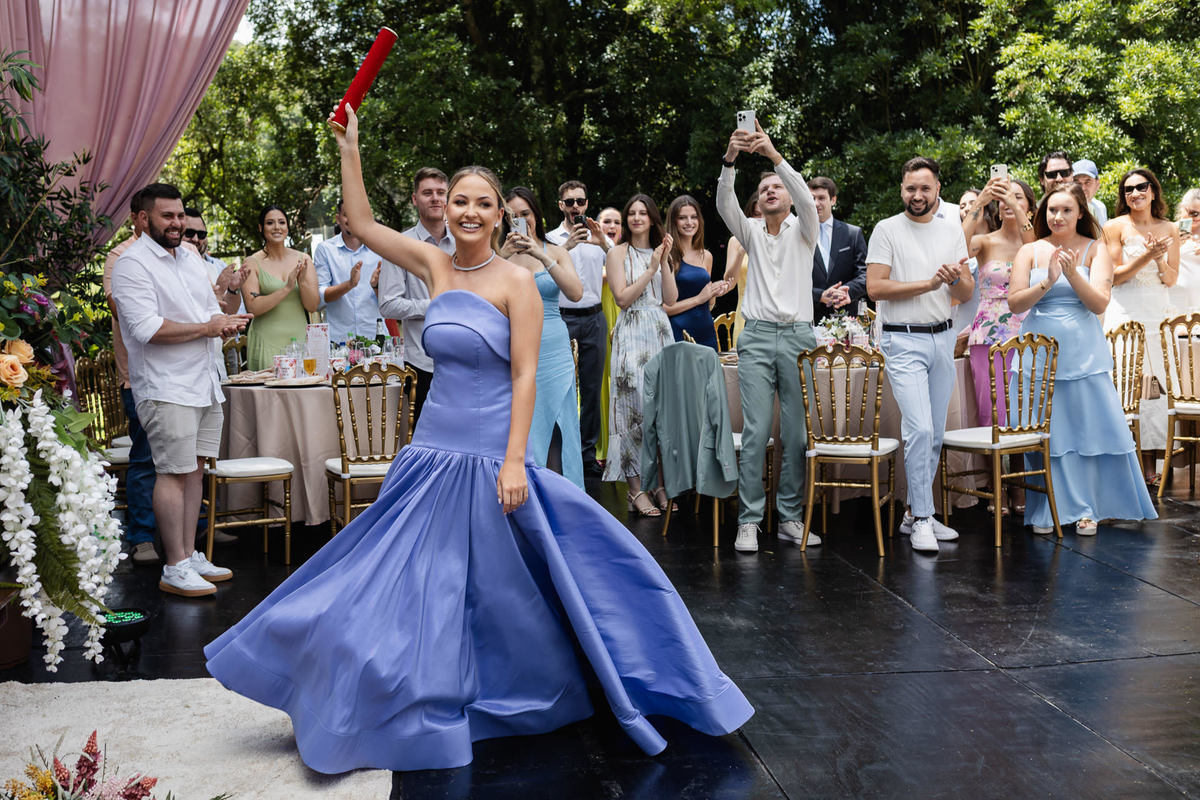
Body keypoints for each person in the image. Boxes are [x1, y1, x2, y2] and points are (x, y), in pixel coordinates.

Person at [205, 105, 753, 775]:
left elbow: (525, 375)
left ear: (499, 217)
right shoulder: (435, 267)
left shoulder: (516, 281)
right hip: (431, 451)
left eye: (481, 203)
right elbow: (366, 225)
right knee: (402, 578)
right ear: (447, 210)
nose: (467, 211)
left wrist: (516, 460)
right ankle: (404, 684)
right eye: (458, 201)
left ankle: (551, 682)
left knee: (510, 584)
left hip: (492, 452)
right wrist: (350, 147)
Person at [110, 183, 250, 596]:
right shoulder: (131, 265)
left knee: (195, 470)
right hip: (165, 386)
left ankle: (188, 556)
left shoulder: (189, 256)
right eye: (167, 216)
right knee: (171, 473)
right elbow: (146, 328)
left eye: (180, 215)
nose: (177, 223)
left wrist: (223, 317)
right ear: (142, 219)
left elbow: (208, 310)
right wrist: (208, 327)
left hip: (204, 380)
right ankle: (173, 566)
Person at [1007, 183, 1157, 534]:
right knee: (1049, 434)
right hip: (1038, 354)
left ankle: (1089, 507)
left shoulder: (1095, 248)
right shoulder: (1029, 250)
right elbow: (1014, 303)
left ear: (1080, 214)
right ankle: (1051, 507)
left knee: (1088, 430)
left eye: (1066, 210)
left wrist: (1073, 274)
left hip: (1083, 353)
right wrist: (1047, 282)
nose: (1058, 216)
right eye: (1052, 210)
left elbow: (1099, 303)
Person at [717, 122, 820, 553]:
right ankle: (749, 520)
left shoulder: (806, 229)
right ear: (758, 203)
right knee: (756, 432)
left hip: (798, 337)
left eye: (777, 187)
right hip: (757, 337)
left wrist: (774, 156)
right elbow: (724, 203)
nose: (771, 191)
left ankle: (790, 516)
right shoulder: (750, 233)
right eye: (764, 190)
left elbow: (808, 199)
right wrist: (731, 158)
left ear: (789, 196)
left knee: (795, 435)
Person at [866, 156, 974, 553]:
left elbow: (965, 292)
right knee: (920, 430)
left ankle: (914, 513)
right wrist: (928, 283)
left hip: (942, 338)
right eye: (911, 188)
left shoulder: (952, 230)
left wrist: (954, 280)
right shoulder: (887, 229)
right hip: (902, 339)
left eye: (925, 188)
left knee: (935, 433)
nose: (917, 195)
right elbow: (875, 288)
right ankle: (925, 519)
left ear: (937, 190)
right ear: (902, 189)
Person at [502, 186, 585, 487]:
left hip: (554, 346)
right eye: (512, 215)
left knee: (560, 428)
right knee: (526, 427)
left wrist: (540, 253)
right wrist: (502, 255)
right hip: (515, 346)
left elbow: (575, 293)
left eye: (525, 213)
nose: (520, 220)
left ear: (536, 214)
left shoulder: (556, 251)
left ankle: (565, 497)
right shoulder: (498, 256)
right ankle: (528, 495)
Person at [1102, 168, 1180, 485]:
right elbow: (1115, 276)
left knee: (1156, 392)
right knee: (1127, 388)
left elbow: (1171, 278)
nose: (1135, 193)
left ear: (1153, 190)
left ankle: (1156, 464)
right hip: (1126, 316)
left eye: (1141, 187)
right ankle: (1128, 464)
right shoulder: (1114, 227)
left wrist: (1159, 258)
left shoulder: (1170, 228)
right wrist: (1147, 255)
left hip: (1158, 316)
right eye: (1128, 189)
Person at [603, 195, 678, 515]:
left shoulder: (660, 252)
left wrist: (663, 261)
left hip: (659, 332)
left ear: (652, 218)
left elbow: (670, 299)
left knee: (659, 412)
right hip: (631, 332)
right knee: (631, 412)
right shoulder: (617, 253)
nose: (636, 218)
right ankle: (635, 490)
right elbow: (622, 298)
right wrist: (650, 270)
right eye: (631, 213)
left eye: (642, 213)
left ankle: (658, 483)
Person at [102, 191, 157, 565]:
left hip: (179, 374)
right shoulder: (120, 257)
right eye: (157, 215)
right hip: (138, 377)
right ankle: (142, 537)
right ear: (138, 218)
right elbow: (120, 309)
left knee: (187, 459)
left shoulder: (175, 255)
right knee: (145, 457)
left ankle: (198, 527)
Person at [378, 167, 453, 419]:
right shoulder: (400, 246)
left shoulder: (464, 242)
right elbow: (387, 304)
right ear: (414, 199)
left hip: (464, 362)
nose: (435, 198)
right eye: (427, 193)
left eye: (441, 192)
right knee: (424, 437)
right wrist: (433, 305)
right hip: (421, 364)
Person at [962, 176, 1037, 426]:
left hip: (1029, 331)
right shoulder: (985, 241)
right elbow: (955, 246)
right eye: (1003, 196)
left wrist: (1013, 204)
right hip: (988, 333)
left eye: (1016, 197)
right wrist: (980, 202)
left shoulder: (1037, 242)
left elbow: (1034, 251)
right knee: (992, 411)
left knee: (1028, 408)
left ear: (1030, 207)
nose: (1007, 201)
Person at [547, 181, 610, 477]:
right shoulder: (551, 239)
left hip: (594, 317)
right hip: (562, 317)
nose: (576, 207)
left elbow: (620, 262)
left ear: (587, 204)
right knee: (562, 389)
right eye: (570, 202)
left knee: (592, 387)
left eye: (580, 201)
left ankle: (587, 454)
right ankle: (561, 452)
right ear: (561, 205)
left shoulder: (598, 236)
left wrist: (603, 242)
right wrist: (567, 246)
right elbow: (540, 268)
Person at [240, 206, 319, 370]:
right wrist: (286, 288)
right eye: (270, 223)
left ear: (287, 227)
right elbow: (252, 307)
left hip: (299, 340)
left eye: (281, 222)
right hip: (266, 341)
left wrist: (302, 282)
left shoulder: (304, 259)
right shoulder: (252, 263)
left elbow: (312, 306)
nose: (277, 227)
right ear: (261, 228)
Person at [314, 199, 386, 342]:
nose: (353, 219)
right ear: (338, 218)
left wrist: (377, 286)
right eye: (347, 214)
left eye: (357, 214)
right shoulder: (325, 249)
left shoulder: (379, 248)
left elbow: (391, 300)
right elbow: (319, 298)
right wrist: (349, 284)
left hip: (375, 338)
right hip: (338, 341)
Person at [663, 195, 727, 348]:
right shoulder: (666, 256)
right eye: (682, 218)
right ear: (674, 221)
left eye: (693, 217)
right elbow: (663, 308)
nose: (689, 222)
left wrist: (715, 292)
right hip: (679, 332)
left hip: (706, 331)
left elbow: (709, 304)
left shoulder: (706, 256)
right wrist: (698, 299)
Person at [809, 176, 868, 324]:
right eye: (812, 198)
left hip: (846, 318)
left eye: (821, 198)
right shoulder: (798, 235)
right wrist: (819, 295)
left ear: (833, 200)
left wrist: (845, 291)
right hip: (808, 318)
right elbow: (791, 279)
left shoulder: (852, 234)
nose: (816, 203)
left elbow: (865, 274)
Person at [596, 206, 622, 465]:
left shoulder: (624, 252)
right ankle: (602, 446)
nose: (612, 226)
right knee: (602, 379)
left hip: (621, 315)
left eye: (617, 222)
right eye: (607, 221)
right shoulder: (591, 250)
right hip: (601, 315)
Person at [183, 207, 244, 315]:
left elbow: (229, 312)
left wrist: (233, 289)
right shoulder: (169, 266)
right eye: (189, 233)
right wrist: (217, 295)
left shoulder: (214, 267)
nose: (195, 239)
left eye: (201, 234)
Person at [724, 191, 761, 343]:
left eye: (764, 215)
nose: (760, 219)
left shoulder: (781, 240)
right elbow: (729, 283)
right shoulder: (736, 241)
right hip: (745, 314)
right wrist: (740, 252)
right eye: (756, 215)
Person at [1172, 188, 1200, 313]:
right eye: (1193, 213)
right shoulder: (1171, 229)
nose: (1197, 217)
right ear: (1183, 208)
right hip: (1178, 297)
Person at [1072, 159, 1108, 225]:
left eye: (1087, 182)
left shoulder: (1100, 207)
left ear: (1097, 184)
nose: (1083, 188)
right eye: (1078, 183)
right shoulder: (1065, 209)